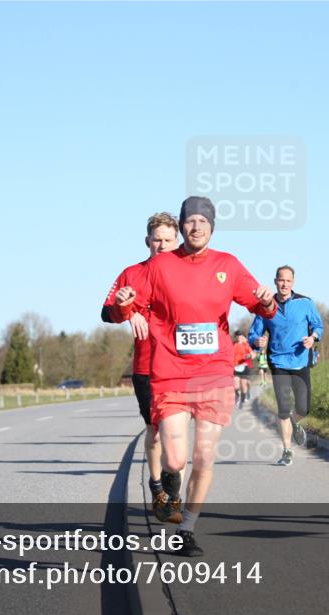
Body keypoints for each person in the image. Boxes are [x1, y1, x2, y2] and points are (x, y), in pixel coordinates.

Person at [113, 196, 277, 556]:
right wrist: (125, 304)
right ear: (182, 226)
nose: (197, 226)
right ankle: (169, 482)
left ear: (212, 227)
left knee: (204, 455)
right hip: (170, 373)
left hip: (214, 373)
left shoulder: (227, 264)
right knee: (175, 458)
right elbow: (114, 310)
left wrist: (265, 300)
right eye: (190, 221)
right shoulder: (159, 267)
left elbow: (260, 304)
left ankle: (187, 528)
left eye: (204, 221)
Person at [101, 212, 179, 519]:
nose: (162, 245)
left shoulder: (190, 273)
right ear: (147, 241)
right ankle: (158, 486)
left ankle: (174, 496)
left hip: (183, 366)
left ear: (178, 241)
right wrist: (126, 308)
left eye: (168, 240)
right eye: (157, 240)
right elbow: (106, 313)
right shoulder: (132, 274)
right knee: (156, 430)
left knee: (178, 434)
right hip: (147, 366)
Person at [249, 265, 323, 467]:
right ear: (275, 281)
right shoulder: (266, 306)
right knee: (283, 407)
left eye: (288, 280)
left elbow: (318, 325)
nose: (284, 284)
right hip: (278, 360)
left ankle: (295, 421)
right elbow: (254, 333)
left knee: (303, 407)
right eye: (281, 280)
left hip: (300, 360)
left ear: (293, 282)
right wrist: (257, 341)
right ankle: (287, 450)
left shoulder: (305, 303)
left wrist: (313, 338)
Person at [232, 331, 254, 406]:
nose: (238, 337)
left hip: (244, 366)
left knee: (244, 384)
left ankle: (243, 397)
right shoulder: (233, 344)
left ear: (242, 336)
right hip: (235, 367)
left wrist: (250, 356)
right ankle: (237, 397)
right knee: (235, 385)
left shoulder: (246, 344)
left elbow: (253, 354)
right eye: (237, 335)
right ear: (235, 337)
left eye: (240, 335)